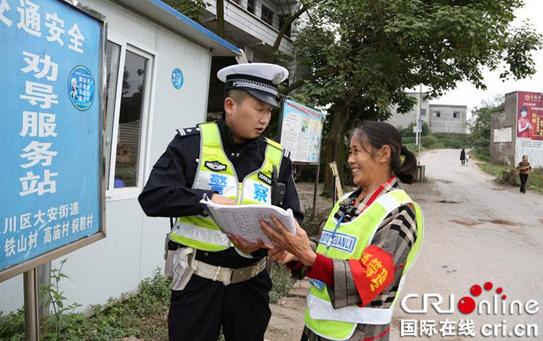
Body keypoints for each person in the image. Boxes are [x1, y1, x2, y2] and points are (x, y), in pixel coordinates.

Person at [138, 63, 304, 341]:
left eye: (268, 111)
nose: (264, 119)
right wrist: (207, 200)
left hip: (251, 284)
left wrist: (268, 243)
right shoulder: (191, 144)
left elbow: (294, 218)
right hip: (197, 281)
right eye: (257, 109)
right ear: (230, 105)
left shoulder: (277, 158)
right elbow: (153, 197)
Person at [259, 121, 424, 341]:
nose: (350, 160)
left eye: (357, 151)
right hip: (316, 328)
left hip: (360, 333)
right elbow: (328, 246)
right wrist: (296, 252)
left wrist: (309, 257)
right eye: (350, 152)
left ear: (384, 154)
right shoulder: (348, 201)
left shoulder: (400, 212)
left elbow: (368, 278)